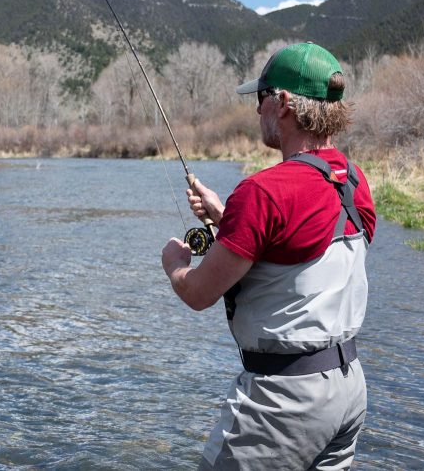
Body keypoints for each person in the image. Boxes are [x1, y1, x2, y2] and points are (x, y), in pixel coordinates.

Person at [161, 42, 376, 470]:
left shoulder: (263, 191)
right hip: (349, 390)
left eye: (260, 99)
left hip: (284, 401)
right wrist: (227, 217)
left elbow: (199, 293)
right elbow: (299, 247)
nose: (256, 111)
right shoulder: (353, 180)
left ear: (282, 104)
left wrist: (175, 265)